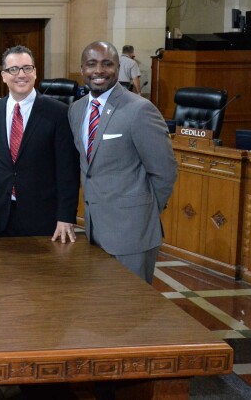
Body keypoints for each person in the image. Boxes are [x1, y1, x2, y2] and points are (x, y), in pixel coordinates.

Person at [69, 41, 177, 284]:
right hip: (94, 230)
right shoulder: (76, 110)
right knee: (105, 311)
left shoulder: (140, 109)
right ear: (82, 68)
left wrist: (143, 213)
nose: (99, 71)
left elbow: (164, 172)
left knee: (132, 311)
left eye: (107, 64)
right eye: (92, 64)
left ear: (118, 68)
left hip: (133, 233)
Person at [0, 45, 79, 241]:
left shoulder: (58, 113)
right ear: (4, 76)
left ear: (35, 72)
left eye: (27, 68)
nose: (21, 75)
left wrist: (65, 216)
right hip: (0, 215)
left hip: (43, 217)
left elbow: (68, 171)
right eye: (13, 69)